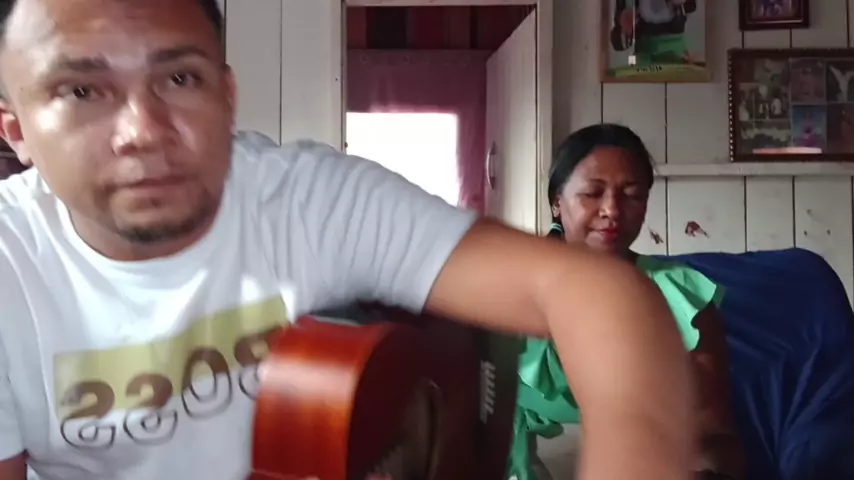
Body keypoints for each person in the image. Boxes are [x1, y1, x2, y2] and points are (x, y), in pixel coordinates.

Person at [0, 0, 697, 479]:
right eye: (82, 91)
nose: (144, 131)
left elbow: (591, 290)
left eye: (180, 78)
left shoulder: (304, 200)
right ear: (17, 131)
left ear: (226, 97)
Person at [506, 124, 745, 480]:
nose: (612, 210)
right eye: (593, 193)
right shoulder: (508, 288)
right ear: (557, 201)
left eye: (632, 195)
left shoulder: (680, 297)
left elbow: (710, 427)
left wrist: (705, 470)